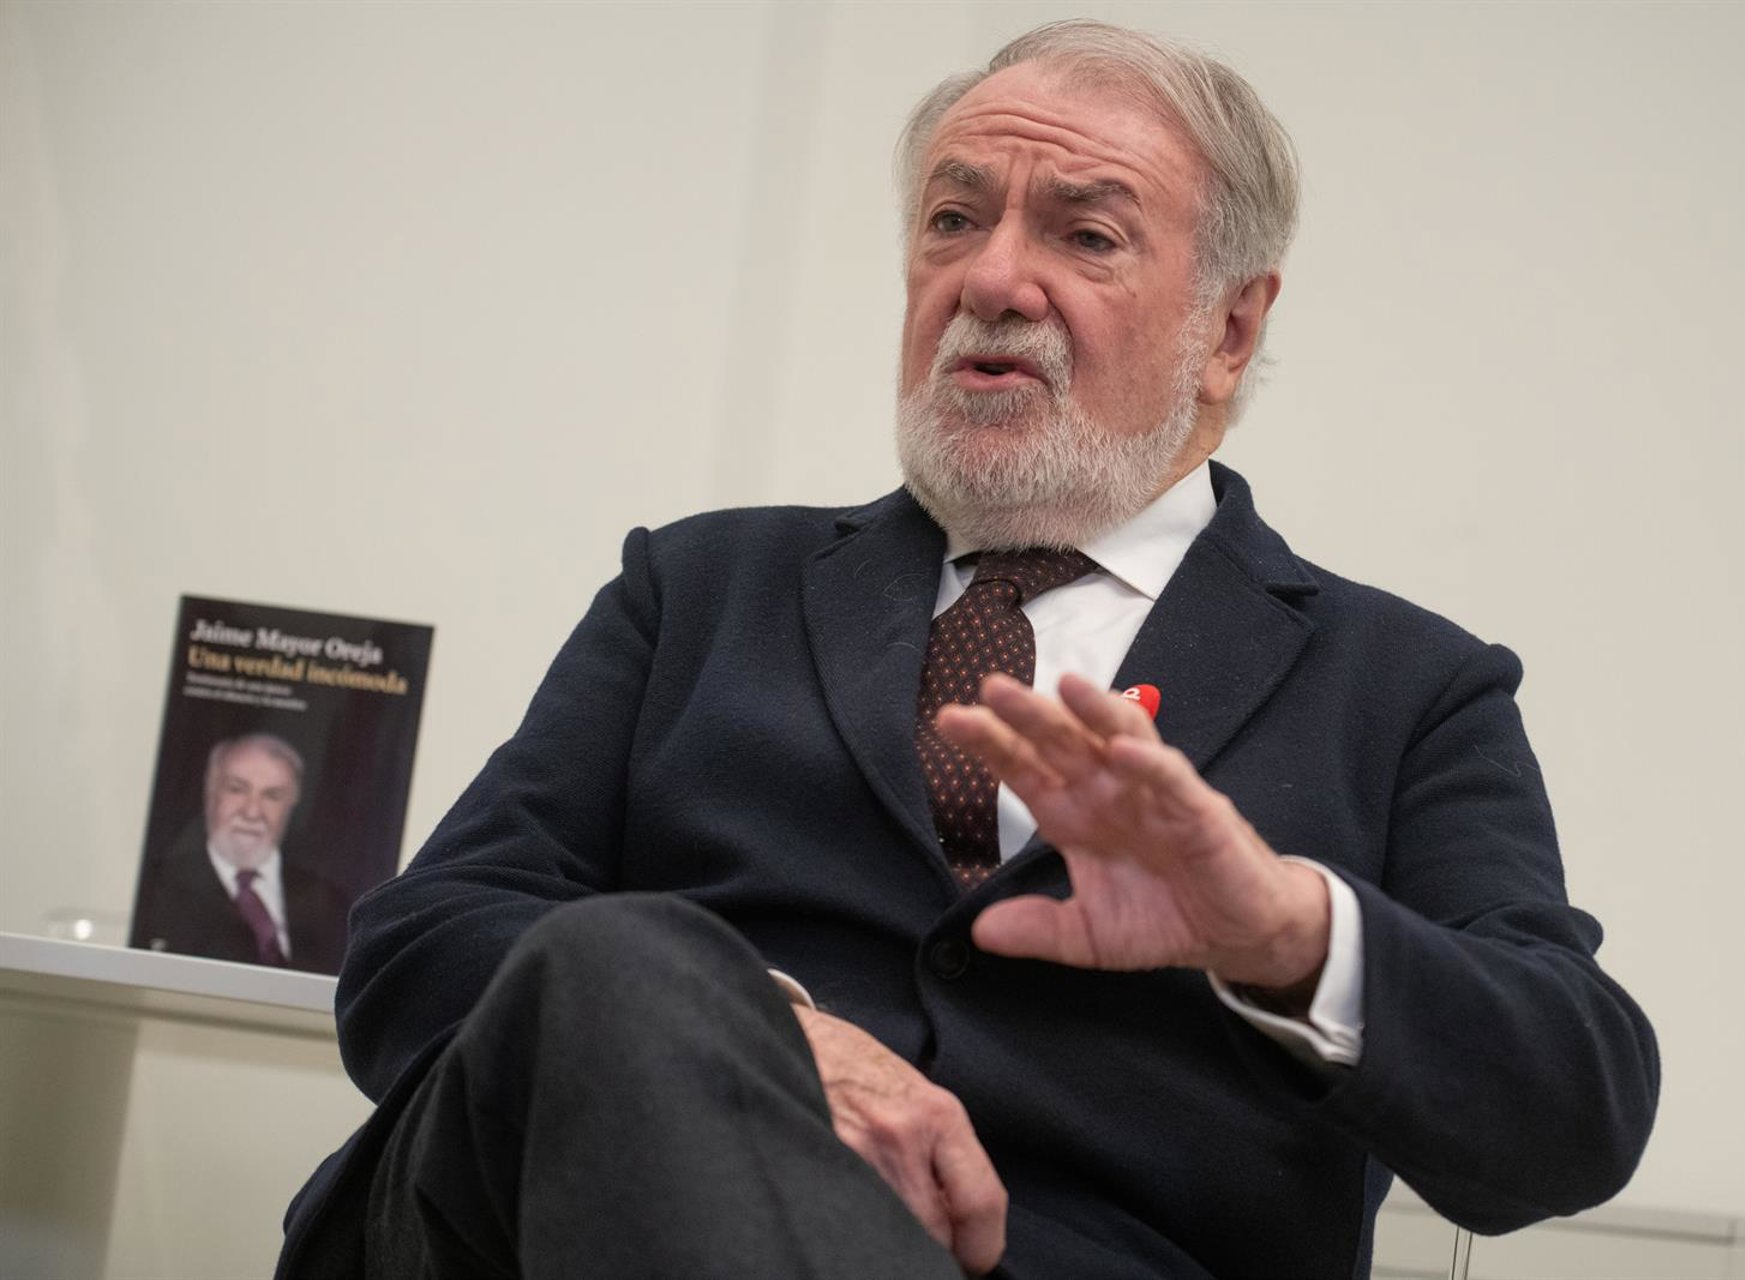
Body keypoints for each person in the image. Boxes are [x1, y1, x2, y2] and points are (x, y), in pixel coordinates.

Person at [277, 20, 1658, 1280]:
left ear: (1230, 329)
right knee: (613, 963)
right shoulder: (697, 589)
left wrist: (1284, 933)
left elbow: (1574, 1111)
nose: (993, 277)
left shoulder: (1407, 689)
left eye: (1086, 235)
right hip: (607, 1219)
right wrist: (745, 1043)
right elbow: (420, 946)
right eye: (953, 219)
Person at [131, 731, 350, 975]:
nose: (252, 812)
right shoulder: (150, 890)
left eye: (272, 796)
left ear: (292, 803)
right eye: (237, 789)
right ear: (210, 791)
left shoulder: (332, 905)